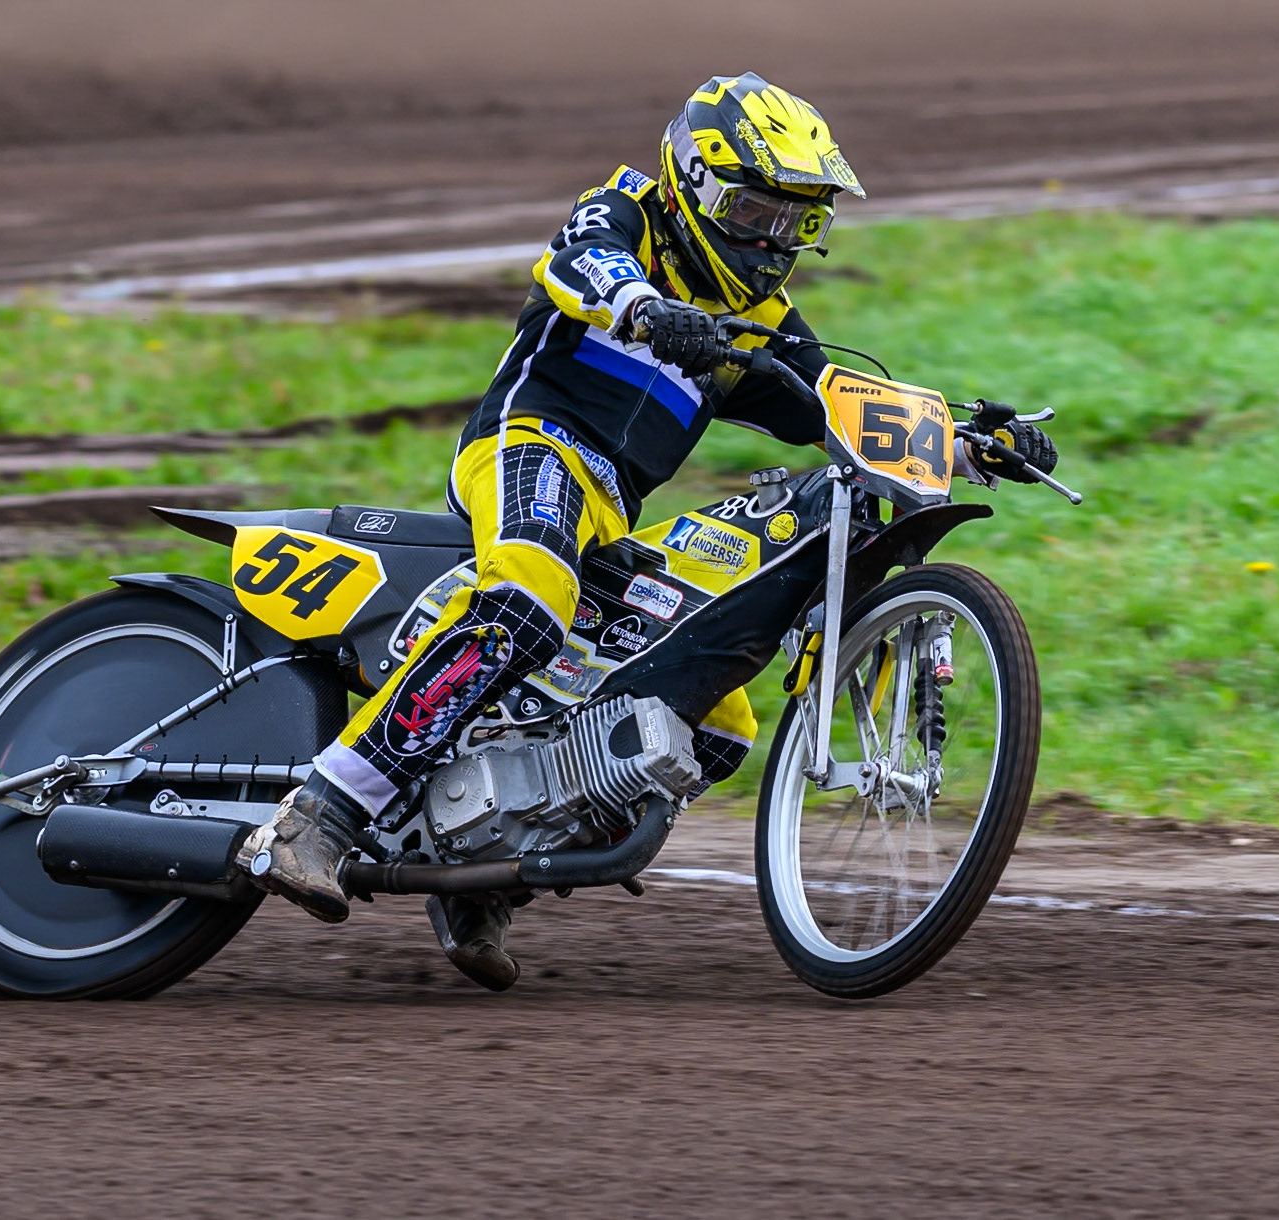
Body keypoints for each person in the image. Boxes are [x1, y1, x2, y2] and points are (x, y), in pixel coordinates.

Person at [242, 73, 1056, 990]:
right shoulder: (621, 215)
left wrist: (973, 438)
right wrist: (646, 311)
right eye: (753, 209)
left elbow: (834, 403)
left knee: (714, 723)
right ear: (694, 185)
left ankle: (483, 866)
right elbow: (581, 267)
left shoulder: (760, 318)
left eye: (794, 222)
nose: (770, 240)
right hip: (531, 449)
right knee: (528, 601)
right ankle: (319, 813)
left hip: (610, 515)